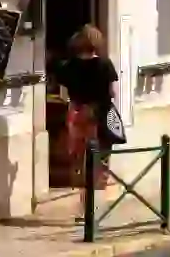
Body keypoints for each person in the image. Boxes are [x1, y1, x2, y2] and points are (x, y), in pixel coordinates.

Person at [50, 25, 118, 223]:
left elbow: (62, 93)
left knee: (79, 160)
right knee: (100, 160)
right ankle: (96, 209)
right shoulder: (105, 65)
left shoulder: (68, 66)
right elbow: (111, 93)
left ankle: (82, 208)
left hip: (76, 114)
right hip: (98, 114)